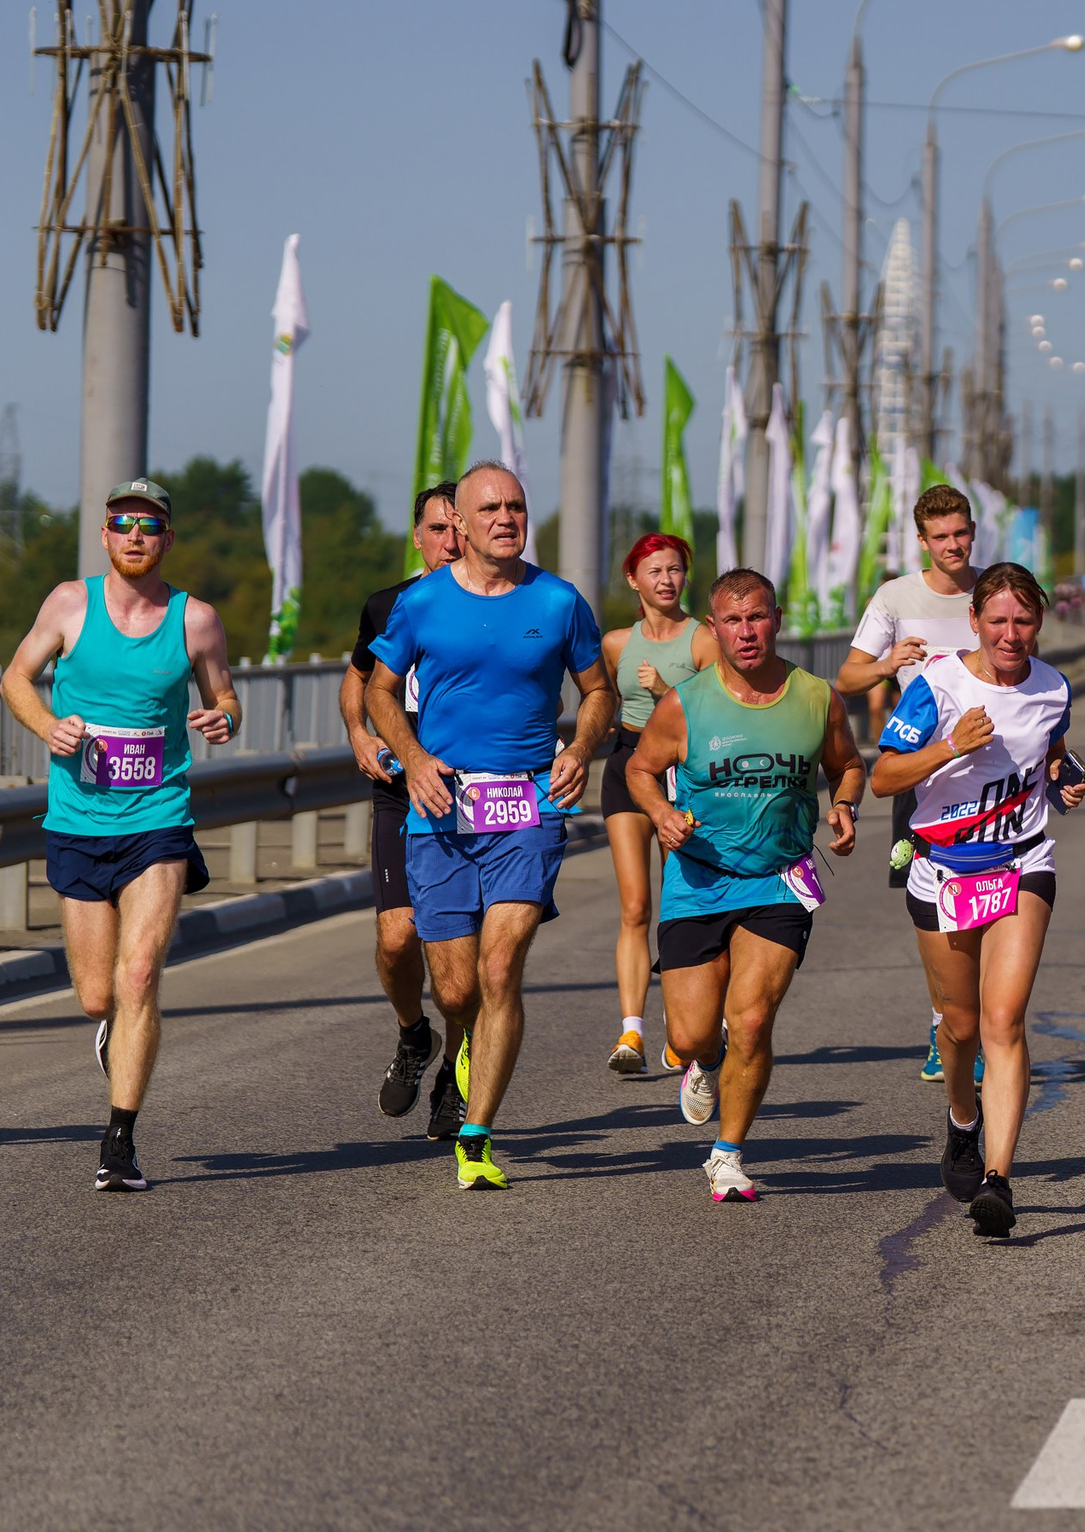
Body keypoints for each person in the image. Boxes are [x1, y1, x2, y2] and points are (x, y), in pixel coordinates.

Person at [364, 462, 612, 1191]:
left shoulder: (559, 600)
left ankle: (476, 1131)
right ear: (459, 525)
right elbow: (379, 688)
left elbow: (599, 689)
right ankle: (458, 1036)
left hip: (529, 806)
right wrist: (410, 758)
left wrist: (580, 746)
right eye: (490, 507)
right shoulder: (422, 603)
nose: (507, 517)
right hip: (441, 809)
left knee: (502, 967)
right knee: (456, 986)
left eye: (517, 505)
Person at [3, 478, 238, 1192]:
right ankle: (112, 1027)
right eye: (122, 524)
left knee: (140, 975)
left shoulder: (194, 619)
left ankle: (120, 1140)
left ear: (166, 540)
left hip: (157, 819)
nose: (135, 535)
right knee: (98, 995)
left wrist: (224, 714)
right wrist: (49, 726)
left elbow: (223, 693)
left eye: (149, 525)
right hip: (77, 821)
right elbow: (14, 676)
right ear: (105, 536)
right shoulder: (70, 604)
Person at [624, 568, 861, 1201]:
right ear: (713, 629)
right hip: (698, 880)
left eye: (756, 617)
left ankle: (727, 1156)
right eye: (732, 621)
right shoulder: (685, 704)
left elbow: (848, 764)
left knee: (752, 1020)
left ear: (777, 619)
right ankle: (702, 1062)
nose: (746, 632)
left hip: (779, 879)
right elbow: (640, 769)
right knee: (692, 1035)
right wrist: (661, 813)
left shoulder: (816, 696)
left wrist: (844, 805)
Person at [872, 563, 1085, 1235]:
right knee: (960, 1026)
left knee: (1004, 1019)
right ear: (975, 621)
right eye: (998, 620)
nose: (1011, 633)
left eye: (1023, 620)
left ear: (1039, 623)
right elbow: (883, 778)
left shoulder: (1053, 688)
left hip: (1022, 863)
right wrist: (946, 746)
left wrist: (1063, 777)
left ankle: (998, 1177)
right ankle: (963, 1119)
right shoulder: (937, 684)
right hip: (943, 869)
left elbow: (1046, 750)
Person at [837, 482, 983, 1082]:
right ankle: (943, 1024)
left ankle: (975, 1025)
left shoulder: (993, 590)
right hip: (921, 779)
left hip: (991, 778)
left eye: (961, 533)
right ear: (922, 541)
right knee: (934, 912)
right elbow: (846, 679)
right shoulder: (896, 596)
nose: (952, 545)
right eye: (940, 537)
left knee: (991, 910)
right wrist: (887, 664)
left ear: (973, 532)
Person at [341, 481, 463, 1130]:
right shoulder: (388, 604)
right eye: (437, 528)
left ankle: (458, 1071)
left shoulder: (494, 604)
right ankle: (416, 1035)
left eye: (458, 528)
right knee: (396, 936)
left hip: (473, 795)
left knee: (460, 958)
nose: (449, 540)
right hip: (398, 789)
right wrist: (360, 732)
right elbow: (358, 675)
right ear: (418, 535)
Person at [598, 533, 716, 1075]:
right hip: (627, 763)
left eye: (675, 570)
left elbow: (718, 710)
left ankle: (682, 1027)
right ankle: (631, 1033)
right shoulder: (617, 643)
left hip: (682, 773)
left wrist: (669, 684)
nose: (666, 580)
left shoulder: (703, 639)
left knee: (679, 908)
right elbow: (600, 703)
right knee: (634, 907)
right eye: (655, 571)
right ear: (634, 580)